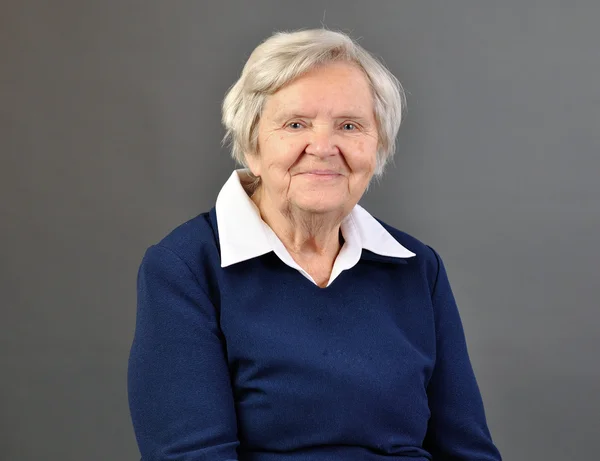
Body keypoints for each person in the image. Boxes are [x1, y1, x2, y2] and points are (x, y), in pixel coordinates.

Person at [128, 28, 502, 461]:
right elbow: (191, 455)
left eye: (349, 125)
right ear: (252, 143)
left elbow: (468, 451)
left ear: (377, 146)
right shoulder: (186, 267)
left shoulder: (417, 267)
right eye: (295, 124)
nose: (323, 147)